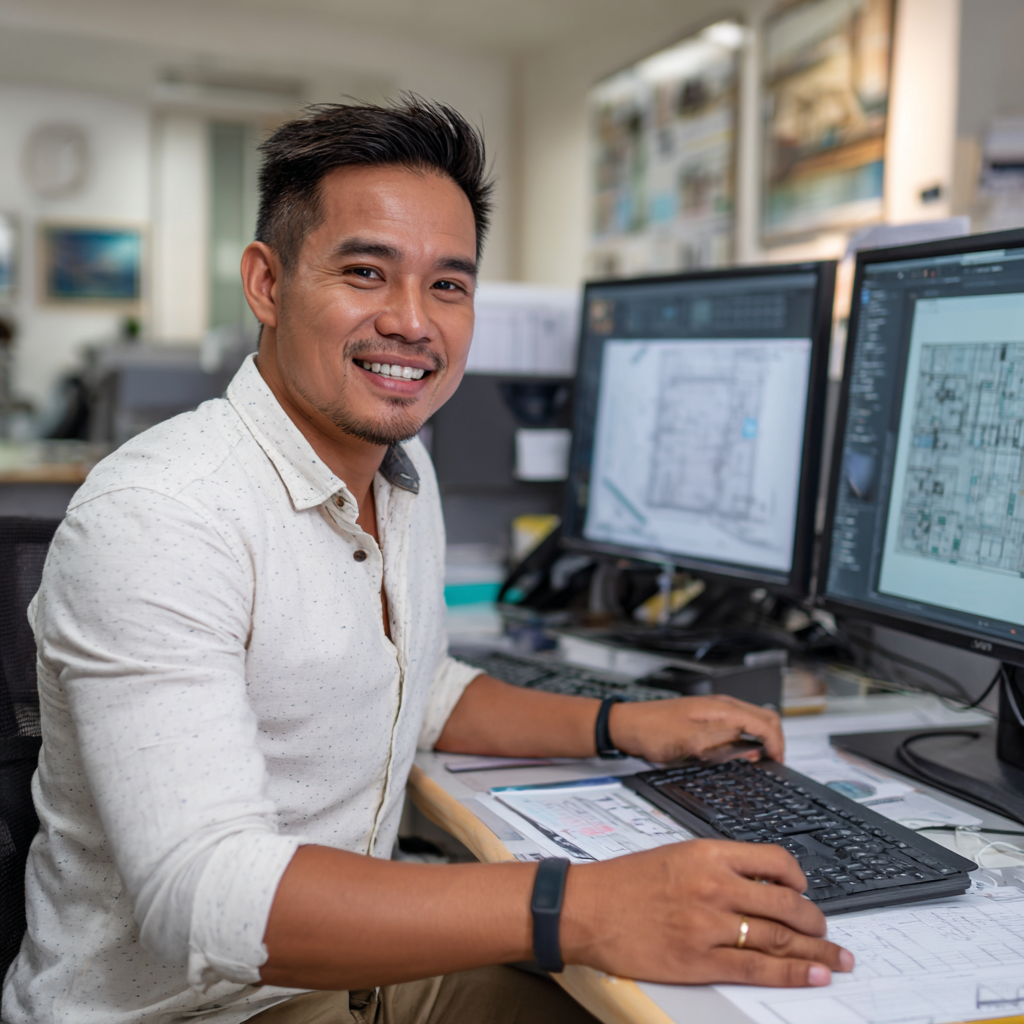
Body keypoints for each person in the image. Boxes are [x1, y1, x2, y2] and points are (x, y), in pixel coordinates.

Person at [3, 98, 852, 1024]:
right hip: (193, 1009)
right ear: (266, 282)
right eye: (367, 272)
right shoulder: (163, 514)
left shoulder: (404, 472)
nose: (413, 322)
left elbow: (419, 685)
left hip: (346, 979)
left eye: (449, 285)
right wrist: (586, 908)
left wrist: (624, 725)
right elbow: (204, 896)